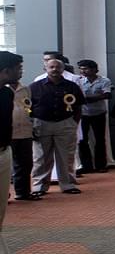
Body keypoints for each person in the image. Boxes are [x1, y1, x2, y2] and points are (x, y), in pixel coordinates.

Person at [30, 59, 85, 195]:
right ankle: (39, 187)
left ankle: (68, 185)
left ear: (63, 69)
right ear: (46, 69)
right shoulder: (34, 87)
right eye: (51, 67)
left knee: (66, 156)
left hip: (65, 123)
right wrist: (31, 125)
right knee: (41, 158)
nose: (54, 69)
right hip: (41, 124)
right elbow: (28, 108)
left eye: (58, 67)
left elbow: (78, 107)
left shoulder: (72, 86)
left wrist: (74, 124)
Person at [76, 59, 112, 174]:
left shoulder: (104, 80)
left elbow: (107, 95)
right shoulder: (79, 81)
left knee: (99, 139)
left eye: (86, 68)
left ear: (94, 69)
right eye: (81, 69)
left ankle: (101, 164)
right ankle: (86, 165)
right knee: (82, 140)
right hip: (83, 114)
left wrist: (88, 99)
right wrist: (96, 96)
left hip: (99, 113)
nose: (83, 71)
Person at [0, 52, 24, 221]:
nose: (21, 72)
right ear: (6, 71)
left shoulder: (7, 93)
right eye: (18, 68)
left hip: (3, 152)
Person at [9, 77, 37, 202]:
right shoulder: (3, 89)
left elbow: (29, 107)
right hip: (7, 133)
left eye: (21, 69)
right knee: (4, 166)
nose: (20, 72)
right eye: (17, 68)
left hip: (25, 132)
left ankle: (23, 193)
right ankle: (3, 195)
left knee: (25, 164)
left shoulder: (26, 89)